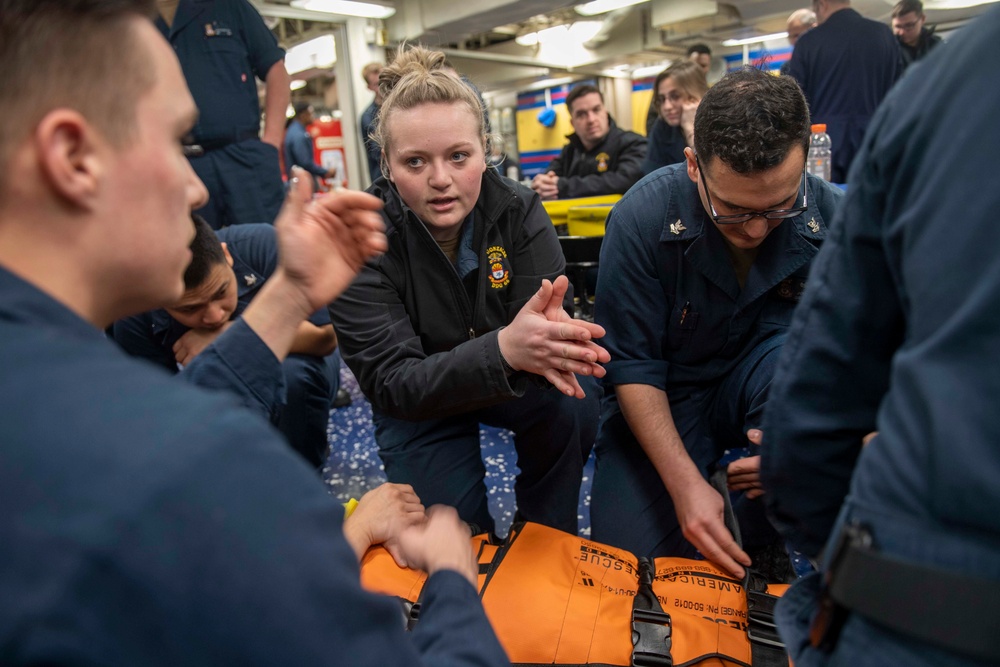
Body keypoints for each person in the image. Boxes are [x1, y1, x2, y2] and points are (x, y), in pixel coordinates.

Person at [0, 2, 510, 665]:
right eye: (178, 143)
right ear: (72, 155)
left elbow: (156, 422)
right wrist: (450, 583)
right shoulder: (207, 473)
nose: (193, 188)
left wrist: (290, 294)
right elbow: (171, 446)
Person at [760, 8, 1000, 665]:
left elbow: (812, 415)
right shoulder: (909, 65)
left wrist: (843, 541)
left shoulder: (954, 79)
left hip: (931, 601)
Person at [329, 46, 610, 538]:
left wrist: (537, 346)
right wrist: (503, 349)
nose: (441, 180)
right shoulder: (359, 240)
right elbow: (394, 383)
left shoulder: (519, 210)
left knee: (575, 398)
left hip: (510, 379)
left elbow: (544, 337)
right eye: (415, 161)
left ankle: (544, 535)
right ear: (387, 165)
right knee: (456, 545)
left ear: (485, 149)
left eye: (458, 156)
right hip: (419, 405)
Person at [589, 67, 844, 579]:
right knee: (630, 572)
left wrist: (809, 444)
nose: (754, 228)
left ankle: (763, 516)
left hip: (770, 386)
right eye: (731, 209)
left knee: (803, 374)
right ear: (692, 166)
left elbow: (853, 351)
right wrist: (686, 488)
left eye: (778, 207)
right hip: (668, 393)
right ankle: (717, 493)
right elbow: (634, 368)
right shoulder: (639, 220)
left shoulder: (832, 216)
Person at [114, 216, 341, 469]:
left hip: (293, 366)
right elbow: (155, 409)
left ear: (227, 256)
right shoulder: (134, 308)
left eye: (221, 292)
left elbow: (326, 338)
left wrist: (233, 338)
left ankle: (302, 457)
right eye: (190, 308)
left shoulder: (264, 244)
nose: (215, 316)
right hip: (200, 395)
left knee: (294, 377)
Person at [155, 0, 288, 230]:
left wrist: (271, 143)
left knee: (265, 253)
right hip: (178, 165)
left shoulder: (229, 6)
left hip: (244, 161)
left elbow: (277, 70)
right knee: (198, 258)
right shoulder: (133, 19)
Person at [787, 0, 902, 183]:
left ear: (821, 5)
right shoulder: (883, 35)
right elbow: (898, 94)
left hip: (823, 149)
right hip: (875, 142)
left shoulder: (808, 42)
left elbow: (794, 103)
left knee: (828, 205)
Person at [531, 84, 647, 201]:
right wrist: (542, 184)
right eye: (581, 114)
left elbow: (624, 181)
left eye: (596, 110)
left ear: (605, 112)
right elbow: (549, 176)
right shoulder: (570, 151)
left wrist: (564, 187)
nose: (591, 120)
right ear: (572, 123)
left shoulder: (633, 144)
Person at [642, 61, 709, 175]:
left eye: (675, 96)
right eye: (662, 99)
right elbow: (652, 176)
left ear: (696, 96)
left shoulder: (720, 122)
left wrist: (690, 129)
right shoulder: (662, 127)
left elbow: (709, 175)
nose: (667, 106)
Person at [284, 101, 338, 191]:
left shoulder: (294, 131)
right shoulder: (299, 135)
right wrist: (325, 172)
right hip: (302, 186)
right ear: (303, 115)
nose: (313, 116)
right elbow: (305, 162)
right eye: (310, 113)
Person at [892, 0, 943, 69]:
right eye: (898, 27)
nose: (902, 32)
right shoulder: (888, 50)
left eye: (909, 25)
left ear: (922, 19)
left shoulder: (937, 46)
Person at [360, 62, 384, 185]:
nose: (382, 87)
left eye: (383, 81)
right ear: (369, 87)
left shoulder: (399, 107)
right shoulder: (368, 117)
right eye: (376, 84)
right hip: (383, 180)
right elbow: (378, 152)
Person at [780, 8, 817, 75]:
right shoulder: (787, 68)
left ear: (814, 30)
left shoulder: (830, 60)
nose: (794, 41)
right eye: (790, 37)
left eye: (797, 35)